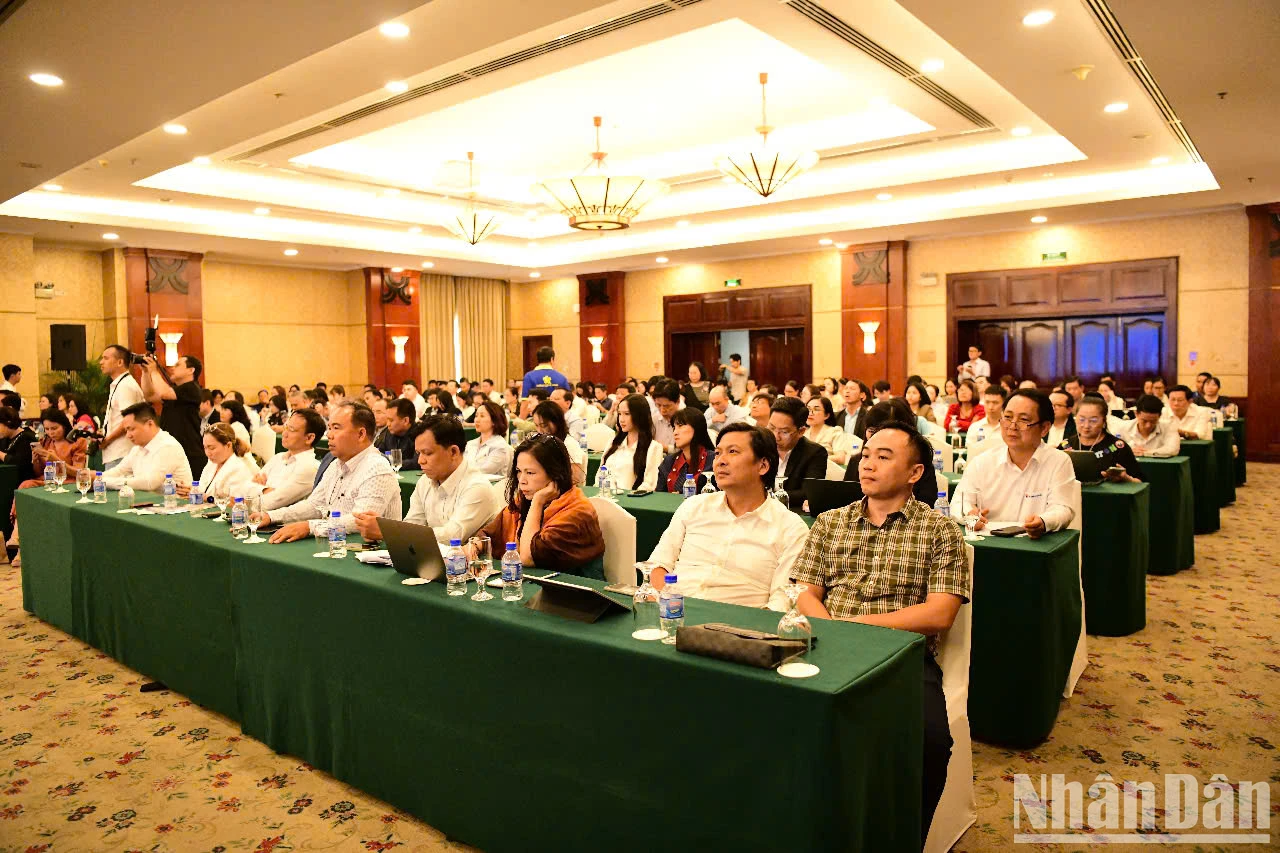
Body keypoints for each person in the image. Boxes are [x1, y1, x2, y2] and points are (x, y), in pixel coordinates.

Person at [792, 422, 969, 846]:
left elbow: (940, 614)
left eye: (884, 456)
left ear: (915, 473)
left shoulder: (940, 531)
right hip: (825, 645)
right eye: (866, 454)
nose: (867, 463)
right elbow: (805, 592)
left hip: (900, 659)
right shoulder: (830, 522)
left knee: (929, 742)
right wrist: (832, 631)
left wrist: (849, 627)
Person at [649, 422, 807, 610]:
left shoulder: (790, 527)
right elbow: (658, 565)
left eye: (733, 452)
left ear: (763, 466)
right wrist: (665, 603)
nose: (720, 461)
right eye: (717, 453)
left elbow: (782, 599)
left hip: (736, 628)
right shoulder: (694, 507)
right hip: (675, 612)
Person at [257, 402, 401, 542]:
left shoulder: (377, 467)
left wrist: (309, 527)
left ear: (361, 434)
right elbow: (314, 505)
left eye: (336, 428)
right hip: (337, 544)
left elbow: (358, 521)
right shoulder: (335, 465)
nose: (329, 435)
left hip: (373, 555)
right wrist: (271, 516)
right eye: (329, 428)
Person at [355, 416, 501, 548]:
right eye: (419, 453)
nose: (420, 461)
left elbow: (452, 537)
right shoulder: (425, 482)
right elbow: (413, 524)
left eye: (428, 453)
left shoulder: (477, 487)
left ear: (453, 452)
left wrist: (387, 531)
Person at [952, 389, 1076, 537]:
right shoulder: (982, 462)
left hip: (1034, 546)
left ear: (1044, 428)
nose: (1012, 426)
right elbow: (958, 503)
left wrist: (1043, 521)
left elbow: (1062, 508)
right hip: (989, 544)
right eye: (1008, 417)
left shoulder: (1058, 461)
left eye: (1024, 420)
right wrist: (970, 514)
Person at [479, 434, 605, 577]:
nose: (522, 481)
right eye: (519, 471)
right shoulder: (523, 501)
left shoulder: (578, 512)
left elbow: (527, 557)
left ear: (554, 473)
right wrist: (475, 545)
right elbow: (491, 533)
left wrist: (537, 503)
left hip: (573, 593)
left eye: (530, 473)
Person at [841, 399, 940, 504]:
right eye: (872, 430)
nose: (879, 436)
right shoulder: (857, 461)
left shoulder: (917, 466)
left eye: (883, 457)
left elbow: (927, 505)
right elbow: (846, 502)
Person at [139, 353, 205, 478]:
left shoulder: (192, 388)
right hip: (173, 448)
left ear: (191, 370)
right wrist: (146, 373)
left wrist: (154, 371)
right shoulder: (176, 390)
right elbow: (149, 395)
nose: (172, 368)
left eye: (178, 365)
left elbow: (164, 393)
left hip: (189, 451)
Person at [102, 402, 194, 491]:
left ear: (150, 424)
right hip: (150, 503)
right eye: (126, 430)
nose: (128, 435)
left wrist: (104, 481)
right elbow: (119, 471)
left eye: (132, 429)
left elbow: (150, 483)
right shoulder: (137, 449)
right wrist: (95, 477)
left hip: (176, 504)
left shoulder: (168, 446)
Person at [252, 408, 324, 511]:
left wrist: (258, 489)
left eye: (291, 430)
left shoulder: (310, 467)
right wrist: (266, 490)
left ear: (309, 438)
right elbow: (244, 488)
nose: (284, 434)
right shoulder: (278, 457)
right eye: (285, 427)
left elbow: (266, 504)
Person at [1058, 396, 1142, 482]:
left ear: (1104, 421)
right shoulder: (1065, 445)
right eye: (1082, 419)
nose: (1086, 426)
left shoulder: (1118, 447)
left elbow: (1140, 482)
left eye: (1093, 420)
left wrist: (1126, 479)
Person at [767, 396, 827, 511]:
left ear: (801, 431)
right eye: (771, 428)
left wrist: (769, 497)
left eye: (784, 432)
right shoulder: (760, 446)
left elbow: (808, 493)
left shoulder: (815, 453)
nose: (775, 436)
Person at [597, 393, 664, 492]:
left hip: (631, 502)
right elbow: (599, 475)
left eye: (627, 414)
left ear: (640, 416)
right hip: (606, 499)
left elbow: (649, 484)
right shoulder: (613, 443)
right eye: (619, 414)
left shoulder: (653, 447)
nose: (621, 419)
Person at [94, 345, 146, 469]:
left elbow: (129, 420)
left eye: (106, 358)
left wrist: (107, 439)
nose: (101, 362)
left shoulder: (125, 386)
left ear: (120, 362)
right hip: (118, 452)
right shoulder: (121, 383)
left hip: (122, 452)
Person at [179, 422, 258, 499]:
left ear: (228, 445)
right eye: (205, 448)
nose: (207, 453)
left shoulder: (239, 468)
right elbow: (203, 490)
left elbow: (237, 503)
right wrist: (191, 490)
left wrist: (207, 498)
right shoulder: (211, 464)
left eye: (212, 448)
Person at [656, 408, 716, 493]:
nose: (675, 432)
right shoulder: (669, 462)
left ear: (697, 427)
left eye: (680, 425)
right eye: (674, 427)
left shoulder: (714, 460)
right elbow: (659, 496)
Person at [24, 408, 89, 484]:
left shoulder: (77, 442)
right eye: (47, 429)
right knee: (26, 486)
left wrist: (57, 461)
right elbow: (39, 473)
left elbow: (79, 472)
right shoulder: (45, 442)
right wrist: (35, 461)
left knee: (27, 484)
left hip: (67, 482)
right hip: (47, 481)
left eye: (54, 428)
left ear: (64, 425)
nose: (50, 433)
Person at [531, 400, 587, 487]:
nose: (540, 431)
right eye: (536, 425)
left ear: (557, 422)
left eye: (544, 425)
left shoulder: (569, 444)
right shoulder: (539, 442)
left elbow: (575, 478)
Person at [1116, 394, 1180, 457]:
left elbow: (1173, 449)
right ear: (1136, 414)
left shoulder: (1169, 427)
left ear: (1160, 416)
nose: (1148, 425)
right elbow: (1110, 448)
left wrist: (1146, 453)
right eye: (1144, 421)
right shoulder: (1123, 428)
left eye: (1153, 421)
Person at [465, 400, 513, 476]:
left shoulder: (500, 446)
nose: (477, 420)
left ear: (494, 421)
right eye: (476, 416)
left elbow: (484, 471)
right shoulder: (470, 444)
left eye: (482, 416)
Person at [803, 395, 856, 465]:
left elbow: (840, 458)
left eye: (816, 409)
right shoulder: (803, 433)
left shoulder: (834, 432)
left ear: (826, 415)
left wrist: (814, 459)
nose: (810, 413)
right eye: (808, 409)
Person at [374, 398, 421, 471]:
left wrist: (392, 463)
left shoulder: (420, 434)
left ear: (405, 420)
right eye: (387, 420)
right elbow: (378, 454)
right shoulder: (388, 433)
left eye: (391, 420)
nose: (388, 424)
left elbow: (417, 462)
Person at [966, 386, 1008, 462]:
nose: (990, 407)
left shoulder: (1009, 428)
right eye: (987, 402)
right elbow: (970, 454)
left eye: (995, 403)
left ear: (1004, 404)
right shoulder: (975, 427)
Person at [649, 378, 682, 452]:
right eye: (658, 405)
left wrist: (665, 448)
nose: (662, 410)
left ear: (678, 401)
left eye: (667, 406)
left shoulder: (686, 421)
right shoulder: (653, 420)